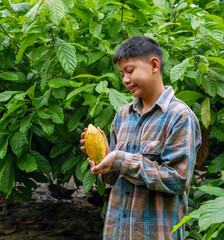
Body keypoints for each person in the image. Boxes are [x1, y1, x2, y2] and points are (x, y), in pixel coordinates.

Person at [80, 35, 202, 240]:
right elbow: (114, 178)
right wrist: (105, 161)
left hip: (154, 233)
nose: (125, 79)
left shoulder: (179, 116)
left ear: (154, 65)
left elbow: (177, 180)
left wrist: (120, 159)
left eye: (130, 71)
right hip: (117, 231)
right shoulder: (122, 115)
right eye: (122, 74)